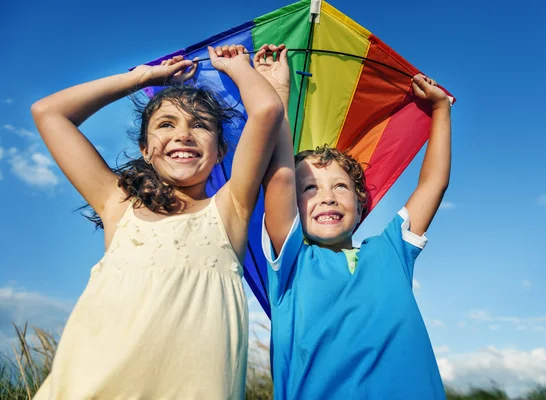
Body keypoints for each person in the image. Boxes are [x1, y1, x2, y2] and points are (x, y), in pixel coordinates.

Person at [30, 44, 284, 399]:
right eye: (166, 124)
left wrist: (239, 67)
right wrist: (143, 78)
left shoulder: (230, 210)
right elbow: (48, 112)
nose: (183, 134)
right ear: (145, 149)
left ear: (221, 152)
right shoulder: (117, 205)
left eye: (200, 126)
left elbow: (267, 110)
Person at [257, 43, 451, 399]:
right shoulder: (291, 263)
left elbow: (433, 183)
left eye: (341, 186)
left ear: (361, 205)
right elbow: (279, 174)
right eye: (309, 188)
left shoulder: (391, 251)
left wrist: (440, 110)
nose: (326, 196)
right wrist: (278, 92)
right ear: (292, 206)